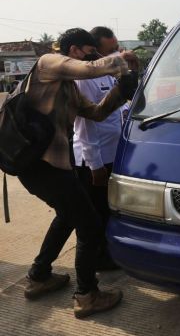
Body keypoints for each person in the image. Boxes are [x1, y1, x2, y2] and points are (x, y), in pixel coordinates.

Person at [16, 28, 138, 319]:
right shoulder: (48, 63)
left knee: (68, 216)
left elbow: (96, 113)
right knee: (90, 224)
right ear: (74, 50)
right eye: (91, 51)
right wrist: (121, 59)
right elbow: (89, 69)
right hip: (39, 166)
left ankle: (39, 276)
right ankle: (87, 295)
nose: (96, 57)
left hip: (49, 166)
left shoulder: (68, 88)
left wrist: (121, 91)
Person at [72, 26, 127, 272]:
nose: (116, 54)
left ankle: (107, 252)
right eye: (110, 50)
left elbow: (119, 110)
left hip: (114, 152)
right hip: (94, 160)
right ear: (95, 52)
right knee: (94, 214)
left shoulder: (109, 75)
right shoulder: (84, 80)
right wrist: (95, 165)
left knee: (108, 209)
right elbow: (86, 125)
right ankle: (97, 261)